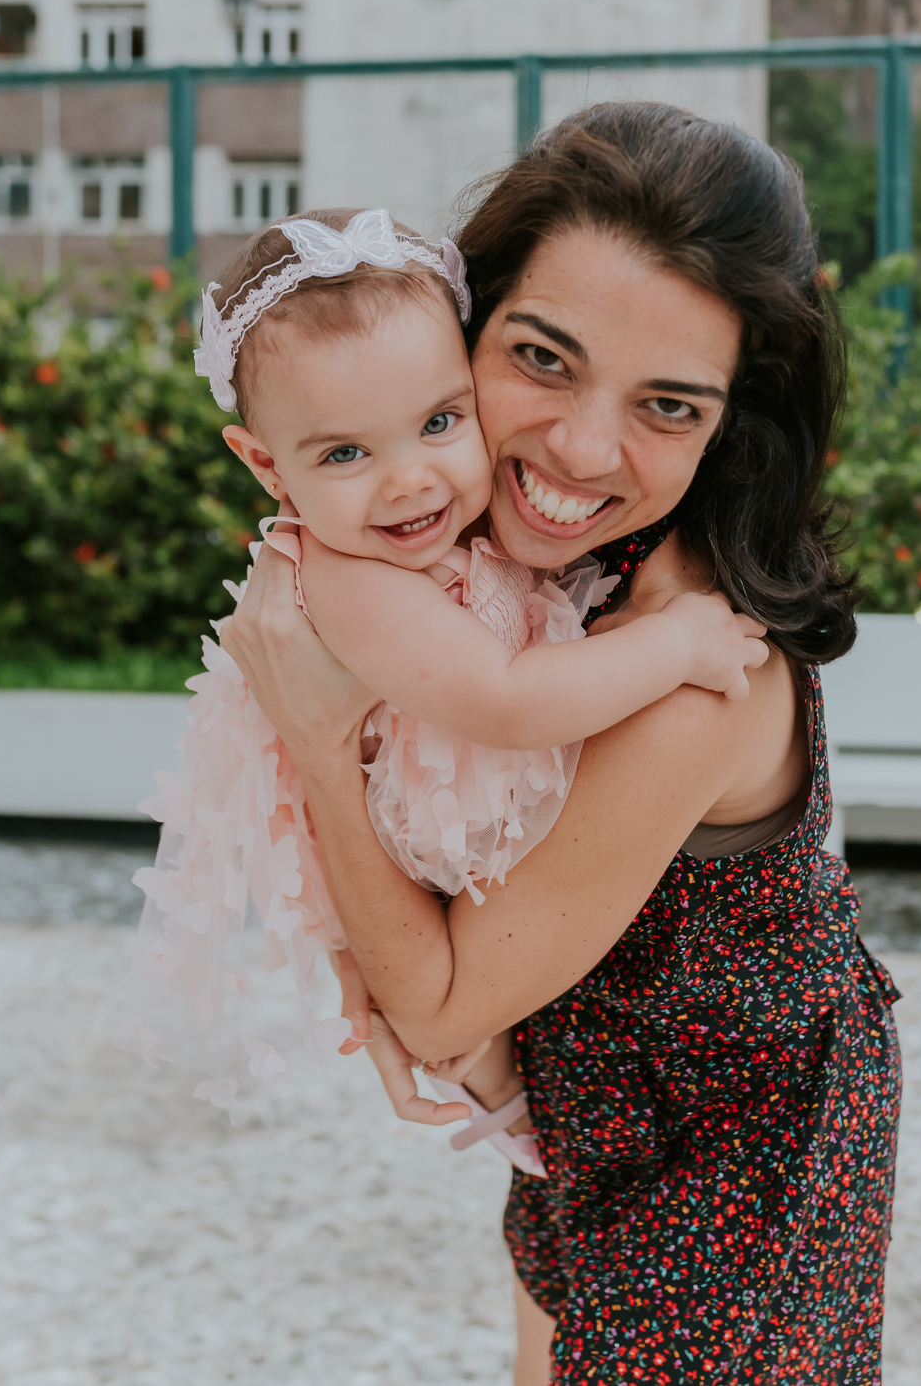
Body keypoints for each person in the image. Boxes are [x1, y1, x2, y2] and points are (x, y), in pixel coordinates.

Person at [222, 104, 903, 1384]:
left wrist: (321, 744)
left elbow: (441, 999)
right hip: (588, 1121)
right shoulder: (460, 529)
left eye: (667, 404)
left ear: (727, 420)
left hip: (731, 1183)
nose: (586, 449)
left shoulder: (690, 665)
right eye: (542, 357)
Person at [122, 205, 765, 1139]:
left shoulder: (421, 525)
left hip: (453, 830)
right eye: (345, 453)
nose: (411, 481)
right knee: (458, 1027)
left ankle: (503, 1101)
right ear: (267, 467)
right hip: (415, 823)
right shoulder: (350, 578)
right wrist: (673, 646)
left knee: (462, 1022)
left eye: (438, 421)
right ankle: (504, 1107)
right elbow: (504, 702)